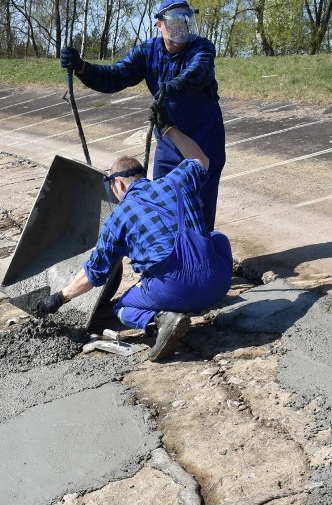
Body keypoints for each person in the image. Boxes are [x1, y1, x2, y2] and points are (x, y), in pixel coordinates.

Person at [35, 113, 232, 361]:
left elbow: (93, 274)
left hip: (175, 288)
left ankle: (161, 320)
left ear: (119, 184)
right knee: (217, 237)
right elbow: (199, 158)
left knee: (123, 308)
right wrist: (169, 129)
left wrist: (59, 297)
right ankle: (197, 294)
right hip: (218, 283)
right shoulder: (176, 181)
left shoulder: (118, 218)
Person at [60, 0, 225, 231]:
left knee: (201, 205)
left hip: (204, 137)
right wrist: (82, 68)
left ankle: (204, 255)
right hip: (169, 139)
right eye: (175, 21)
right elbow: (116, 76)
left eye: (186, 21)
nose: (182, 28)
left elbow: (196, 73)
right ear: (159, 24)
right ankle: (166, 258)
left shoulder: (202, 48)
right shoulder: (148, 51)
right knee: (163, 203)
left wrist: (172, 87)